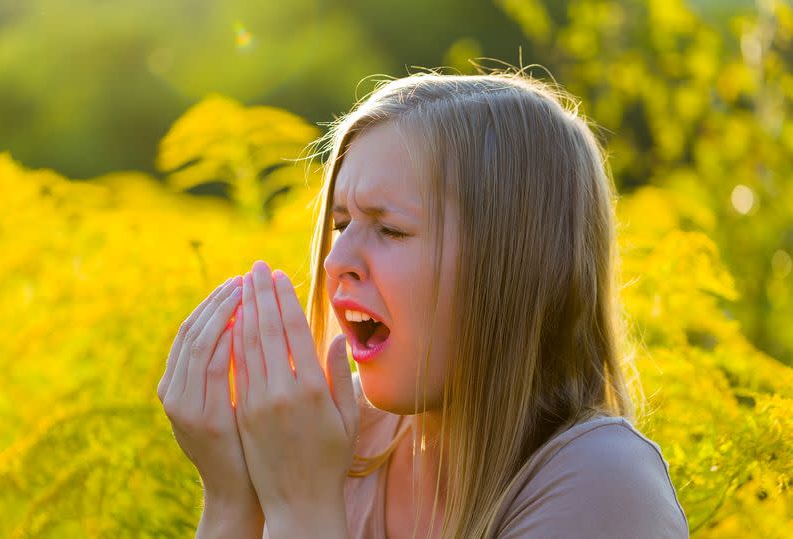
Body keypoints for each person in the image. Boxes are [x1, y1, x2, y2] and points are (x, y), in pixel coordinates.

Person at [157, 69, 690, 538]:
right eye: (341, 224)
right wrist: (233, 501)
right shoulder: (337, 444)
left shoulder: (602, 486)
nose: (335, 259)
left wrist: (303, 509)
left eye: (389, 229)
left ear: (510, 264)